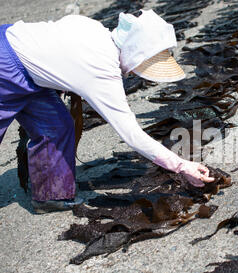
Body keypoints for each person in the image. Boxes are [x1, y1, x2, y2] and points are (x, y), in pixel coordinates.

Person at [0, 10, 214, 214]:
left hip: (26, 68)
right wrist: (182, 165)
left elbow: (58, 46)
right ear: (133, 53)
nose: (133, 73)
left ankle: (50, 197)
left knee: (57, 127)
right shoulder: (102, 70)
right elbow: (131, 134)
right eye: (142, 65)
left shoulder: (95, 29)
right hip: (4, 67)